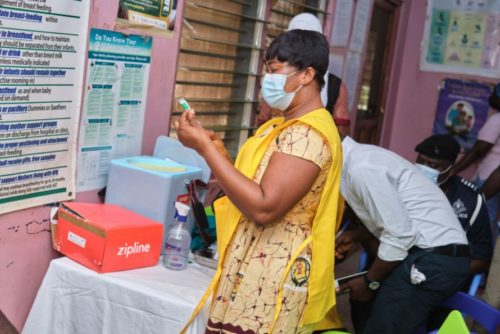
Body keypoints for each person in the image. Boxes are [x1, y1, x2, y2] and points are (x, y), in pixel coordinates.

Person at [177, 30, 344, 333]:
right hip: (255, 266)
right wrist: (218, 154)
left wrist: (204, 150)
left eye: (275, 70)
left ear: (307, 75)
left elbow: (265, 207)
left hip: (273, 273)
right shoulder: (284, 126)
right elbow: (255, 186)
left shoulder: (307, 134)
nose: (267, 79)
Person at [336, 135, 470, 334]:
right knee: (365, 310)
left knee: (380, 328)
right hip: (428, 255)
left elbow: (400, 235)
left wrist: (369, 282)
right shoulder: (360, 159)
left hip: (431, 260)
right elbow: (394, 216)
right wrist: (356, 235)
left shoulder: (361, 168)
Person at [256, 13, 351, 135]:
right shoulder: (337, 86)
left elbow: (263, 117)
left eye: (274, 69)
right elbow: (342, 128)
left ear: (307, 75)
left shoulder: (305, 137)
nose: (270, 76)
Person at [415, 134, 492, 274]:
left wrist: (450, 276)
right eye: (421, 162)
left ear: (450, 170)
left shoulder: (470, 200)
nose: (424, 168)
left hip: (445, 272)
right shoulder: (401, 185)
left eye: (433, 165)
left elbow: (482, 256)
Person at [451, 82, 500, 225]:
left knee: (481, 219)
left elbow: (479, 149)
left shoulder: (497, 119)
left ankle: (478, 248)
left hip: (490, 176)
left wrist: (453, 170)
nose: (490, 98)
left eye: (494, 94)